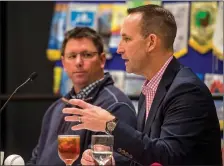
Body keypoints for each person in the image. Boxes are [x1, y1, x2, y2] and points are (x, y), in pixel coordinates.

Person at [62, 4, 222, 166]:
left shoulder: (187, 90)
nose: (119, 49)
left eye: (127, 39)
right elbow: (146, 156)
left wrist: (109, 124)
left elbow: (167, 157)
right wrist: (110, 164)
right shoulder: (151, 88)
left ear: (151, 42)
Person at [27, 27, 137, 165]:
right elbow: (37, 159)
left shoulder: (116, 105)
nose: (78, 62)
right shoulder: (55, 108)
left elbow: (113, 160)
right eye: (72, 56)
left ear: (102, 60)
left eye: (86, 55)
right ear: (64, 63)